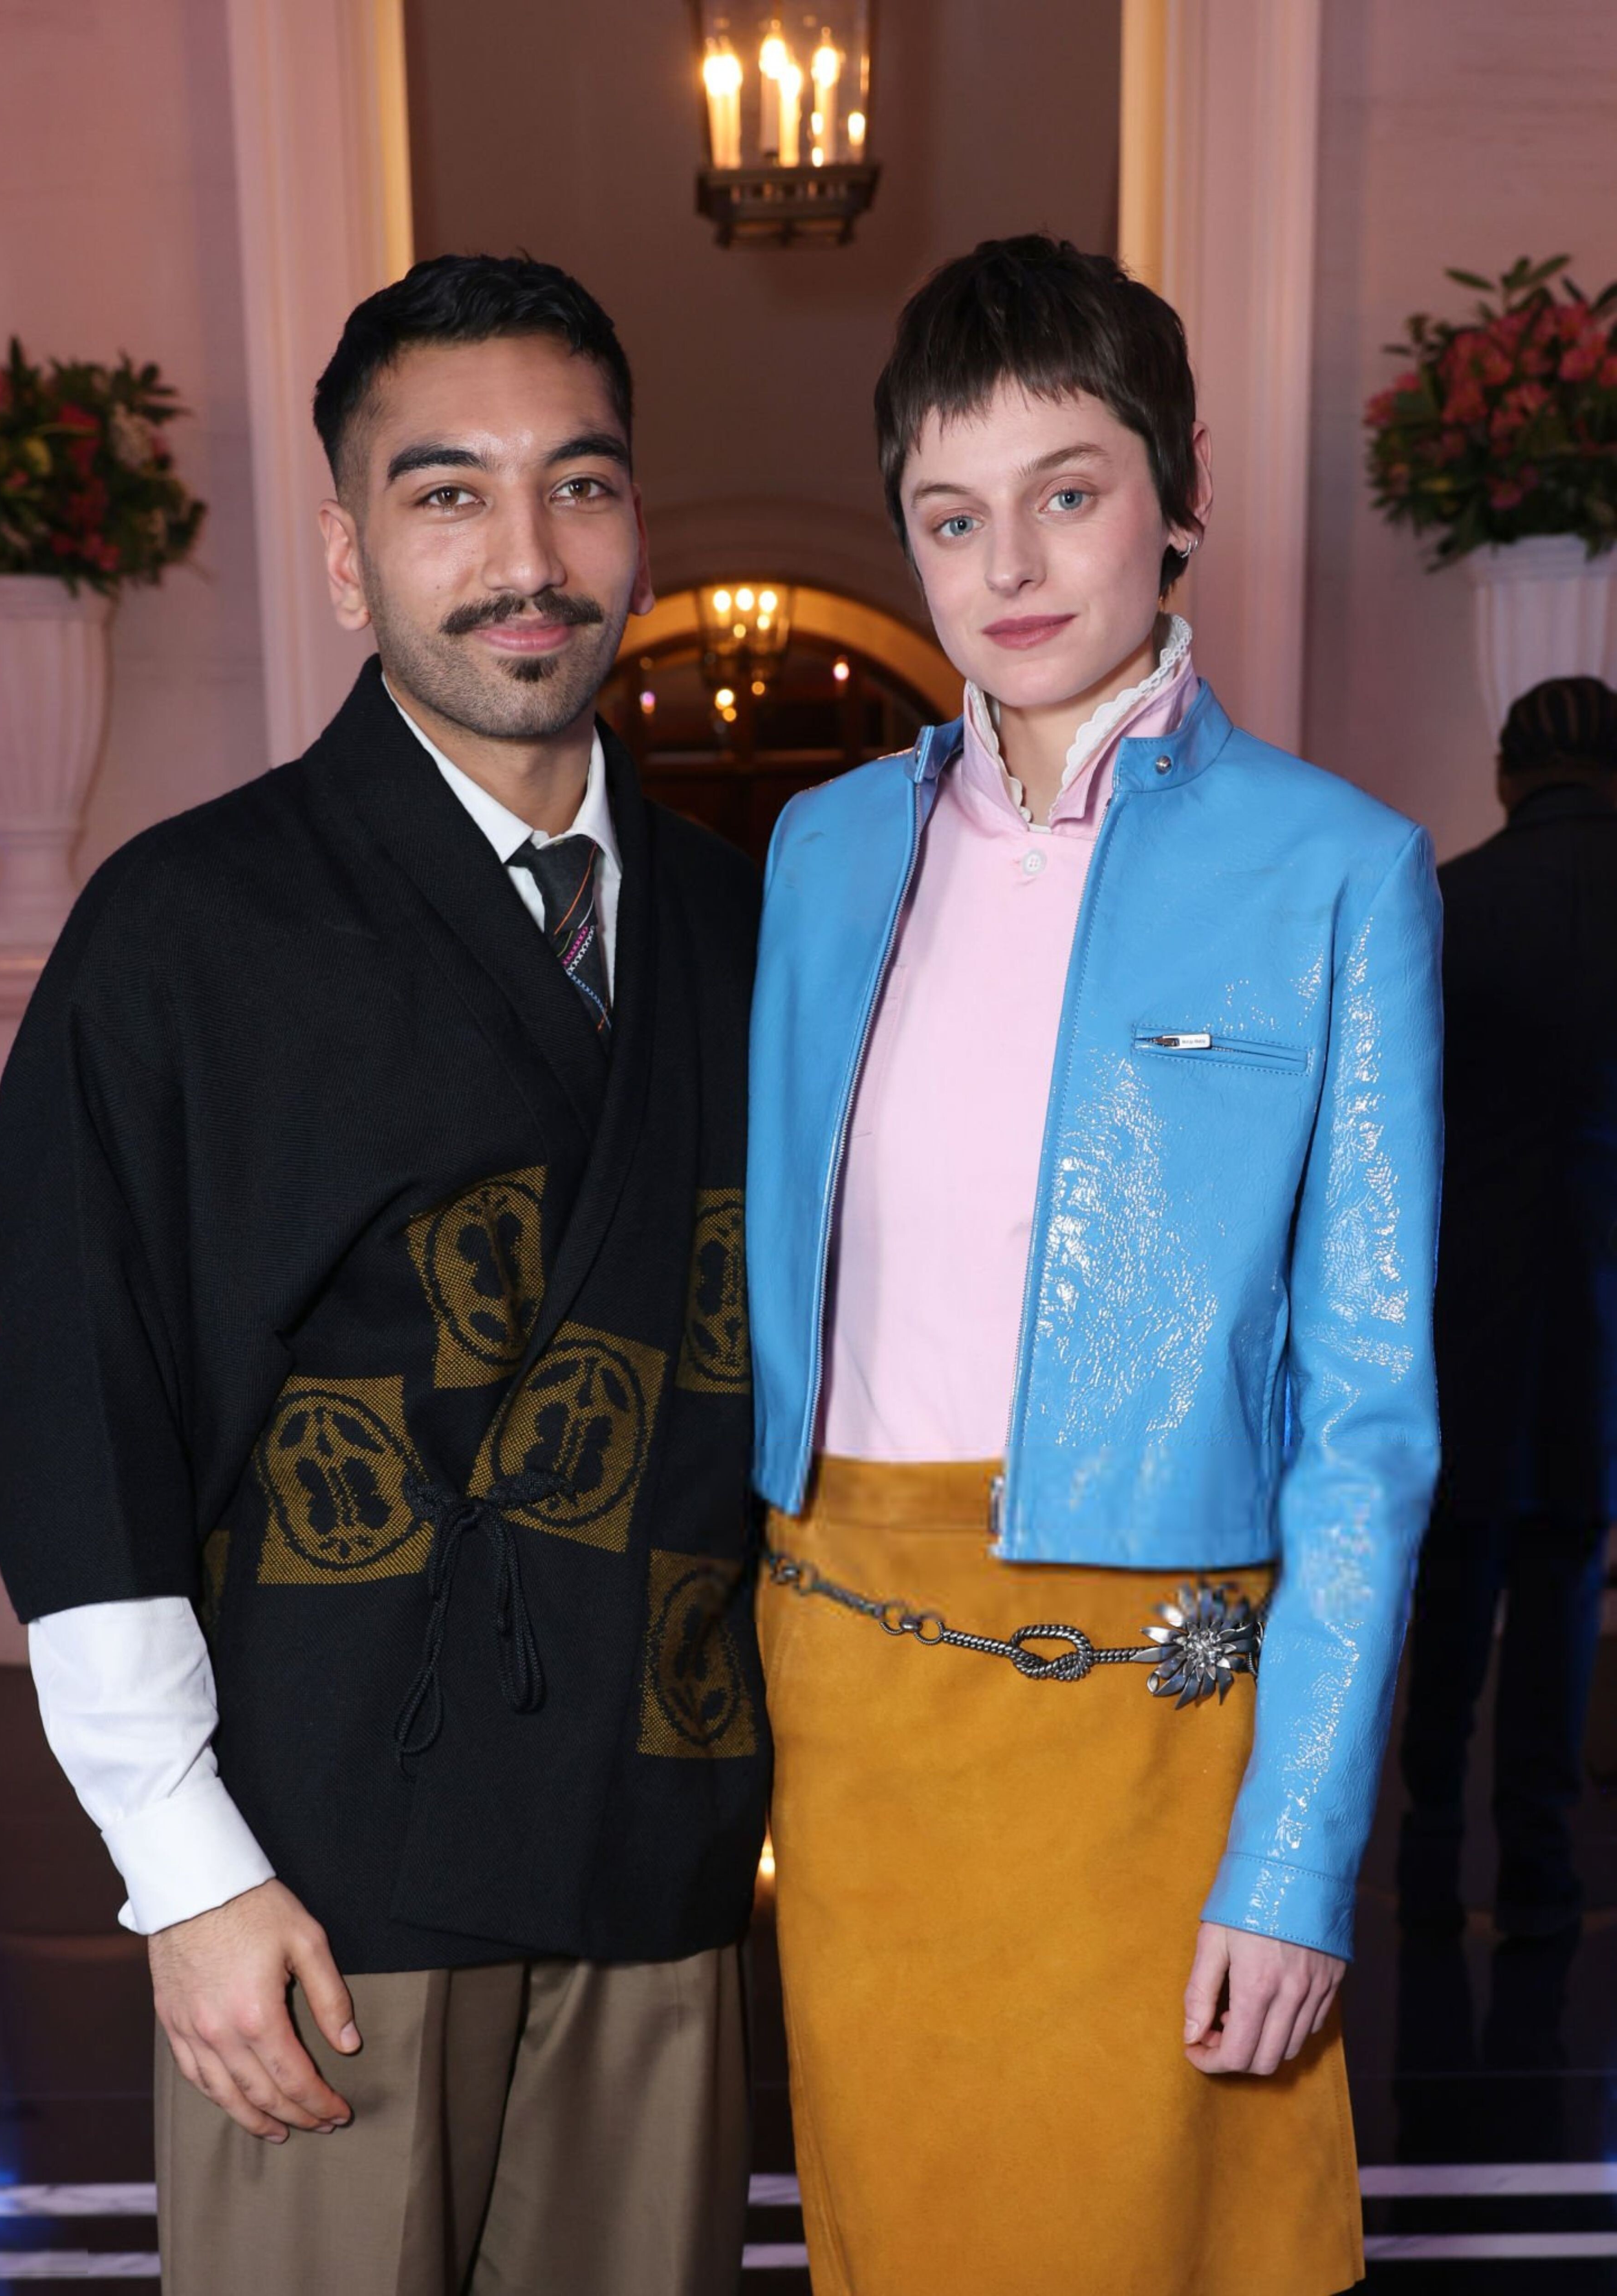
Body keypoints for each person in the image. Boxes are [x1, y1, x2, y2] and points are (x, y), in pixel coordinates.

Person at [0, 254, 767, 2296]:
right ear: (348, 558)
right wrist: (185, 1875)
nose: (528, 558)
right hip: (322, 1883)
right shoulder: (186, 931)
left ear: (635, 523)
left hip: (663, 1849)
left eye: (579, 485)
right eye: (448, 495)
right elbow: (84, 1421)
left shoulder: (747, 923)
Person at [746, 234, 1443, 2295]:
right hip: (855, 1700)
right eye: (952, 516)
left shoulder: (1338, 868)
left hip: (1156, 1719)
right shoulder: (822, 852)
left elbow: (1368, 1420)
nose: (1014, 565)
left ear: (1180, 486)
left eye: (1069, 490)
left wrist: (1296, 1850)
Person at [1398, 675, 1617, 1940]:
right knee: (1566, 1570)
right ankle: (1542, 1858)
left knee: (1452, 1564)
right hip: (1602, 1305)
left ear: (1505, 775)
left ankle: (1427, 1838)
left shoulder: (1448, 904)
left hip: (1462, 1297)